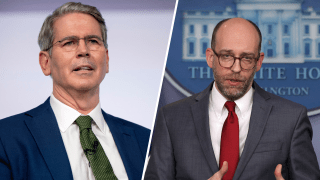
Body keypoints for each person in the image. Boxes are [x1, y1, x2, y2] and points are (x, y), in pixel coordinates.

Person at [145, 18, 320, 179]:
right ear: (210, 57)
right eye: (227, 56)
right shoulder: (171, 117)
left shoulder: (291, 118)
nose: (236, 68)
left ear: (259, 62)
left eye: (246, 58)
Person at [0, 2, 150, 180]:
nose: (83, 51)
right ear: (46, 63)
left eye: (93, 41)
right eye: (69, 42)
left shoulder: (145, 140)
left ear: (107, 60)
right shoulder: (6, 137)